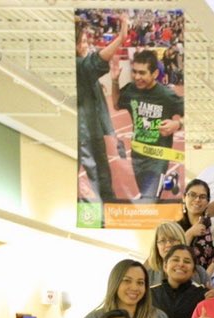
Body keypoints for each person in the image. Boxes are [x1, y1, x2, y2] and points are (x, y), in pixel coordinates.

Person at [109, 48, 184, 202]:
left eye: (142, 73)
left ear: (155, 74)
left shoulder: (166, 95)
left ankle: (163, 182)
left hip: (158, 158)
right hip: (137, 156)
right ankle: (170, 181)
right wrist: (115, 81)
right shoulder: (131, 90)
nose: (137, 77)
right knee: (146, 192)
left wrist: (177, 123)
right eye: (134, 72)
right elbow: (116, 105)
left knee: (148, 200)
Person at [76, 13, 127, 201]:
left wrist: (108, 83)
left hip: (93, 132)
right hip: (84, 134)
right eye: (81, 42)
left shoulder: (83, 71)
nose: (86, 45)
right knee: (97, 176)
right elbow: (95, 61)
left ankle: (107, 207)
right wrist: (120, 38)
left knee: (102, 176)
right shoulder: (78, 66)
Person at [179, 179, 214, 272]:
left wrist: (202, 283)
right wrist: (190, 234)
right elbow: (174, 258)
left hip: (206, 283)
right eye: (192, 195)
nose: (197, 200)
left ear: (208, 201)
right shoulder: (175, 227)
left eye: (202, 197)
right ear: (184, 197)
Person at [145, 221, 191, 285]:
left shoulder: (199, 273)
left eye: (172, 240)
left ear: (182, 241)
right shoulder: (147, 276)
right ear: (156, 246)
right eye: (162, 241)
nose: (168, 245)